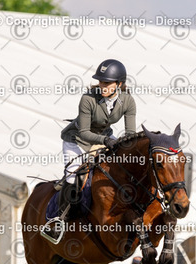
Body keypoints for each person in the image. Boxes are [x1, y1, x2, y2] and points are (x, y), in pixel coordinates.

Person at [42, 59, 137, 242]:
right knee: (73, 178)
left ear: (119, 84)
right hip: (77, 140)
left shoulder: (128, 101)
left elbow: (130, 134)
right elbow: (84, 133)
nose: (102, 86)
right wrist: (106, 141)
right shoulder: (88, 99)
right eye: (101, 81)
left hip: (104, 137)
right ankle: (58, 220)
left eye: (107, 83)